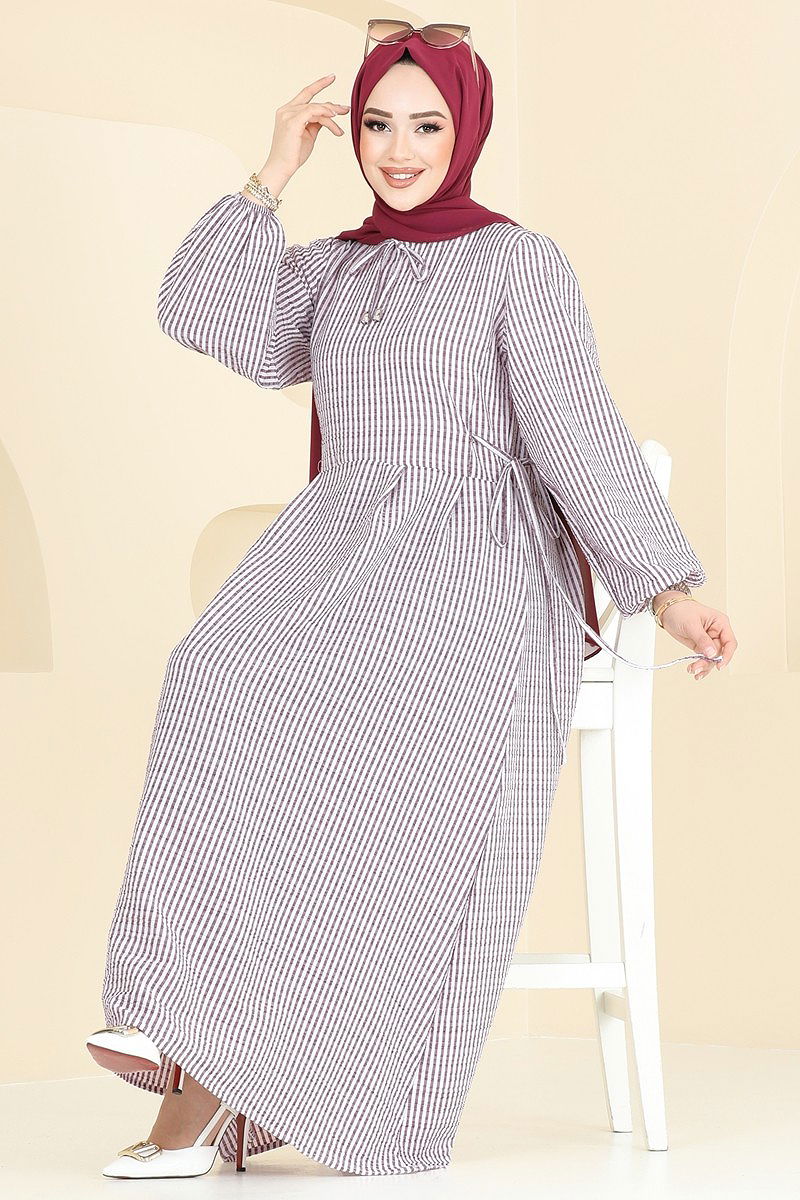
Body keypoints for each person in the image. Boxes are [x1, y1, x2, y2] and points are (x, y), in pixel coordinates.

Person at [87, 25, 737, 1181]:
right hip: (340, 544)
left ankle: (249, 1069)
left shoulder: (515, 262)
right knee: (213, 676)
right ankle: (195, 1027)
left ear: (465, 130)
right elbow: (201, 313)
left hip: (473, 559)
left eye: (425, 125)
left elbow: (573, 427)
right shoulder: (335, 268)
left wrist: (663, 585)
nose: (397, 150)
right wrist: (270, 173)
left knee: (311, 712)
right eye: (377, 125)